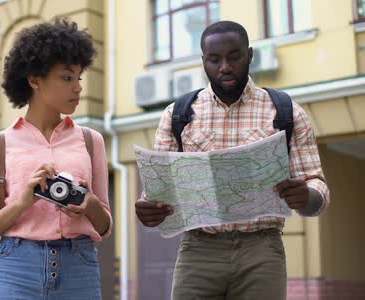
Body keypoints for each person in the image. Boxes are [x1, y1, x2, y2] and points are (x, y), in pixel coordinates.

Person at [135, 20, 330, 299]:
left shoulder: (286, 111)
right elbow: (159, 191)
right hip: (199, 250)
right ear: (203, 61)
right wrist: (148, 208)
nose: (224, 66)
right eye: (214, 59)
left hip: (262, 250)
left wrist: (307, 197)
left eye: (234, 56)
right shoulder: (178, 114)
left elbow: (317, 186)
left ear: (249, 55)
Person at [0, 18, 112, 300]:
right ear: (34, 80)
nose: (78, 88)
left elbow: (104, 227)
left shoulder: (92, 141)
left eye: (78, 78)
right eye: (67, 78)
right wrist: (21, 203)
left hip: (79, 267)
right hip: (14, 268)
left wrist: (88, 203)